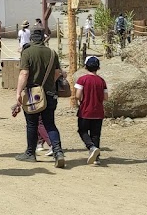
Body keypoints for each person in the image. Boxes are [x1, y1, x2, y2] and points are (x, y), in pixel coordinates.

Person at [12, 29, 66, 167]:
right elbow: (57, 72)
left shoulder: (27, 52)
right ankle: (58, 152)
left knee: (32, 124)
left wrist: (18, 92)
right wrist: (48, 84)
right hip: (50, 93)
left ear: (31, 39)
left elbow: (24, 73)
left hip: (32, 94)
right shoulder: (52, 53)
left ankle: (30, 153)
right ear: (43, 39)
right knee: (50, 124)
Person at [74, 56, 109, 165]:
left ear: (86, 66)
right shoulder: (101, 81)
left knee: (82, 130)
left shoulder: (82, 79)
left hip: (85, 110)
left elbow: (77, 95)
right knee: (96, 134)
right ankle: (96, 158)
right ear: (98, 68)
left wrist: (81, 100)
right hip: (98, 111)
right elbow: (106, 97)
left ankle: (91, 147)